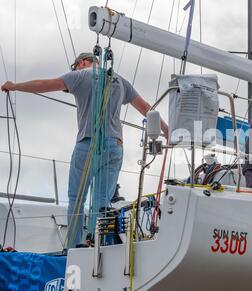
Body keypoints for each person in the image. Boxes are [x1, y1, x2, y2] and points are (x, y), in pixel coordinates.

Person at [1, 52, 168, 248]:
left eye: (76, 66)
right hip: (115, 146)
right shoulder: (121, 81)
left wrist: (15, 86)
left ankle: (73, 248)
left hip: (88, 143)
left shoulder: (80, 76)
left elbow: (44, 86)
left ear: (82, 63)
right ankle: (96, 245)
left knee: (76, 198)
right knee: (102, 200)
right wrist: (166, 130)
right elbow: (146, 108)